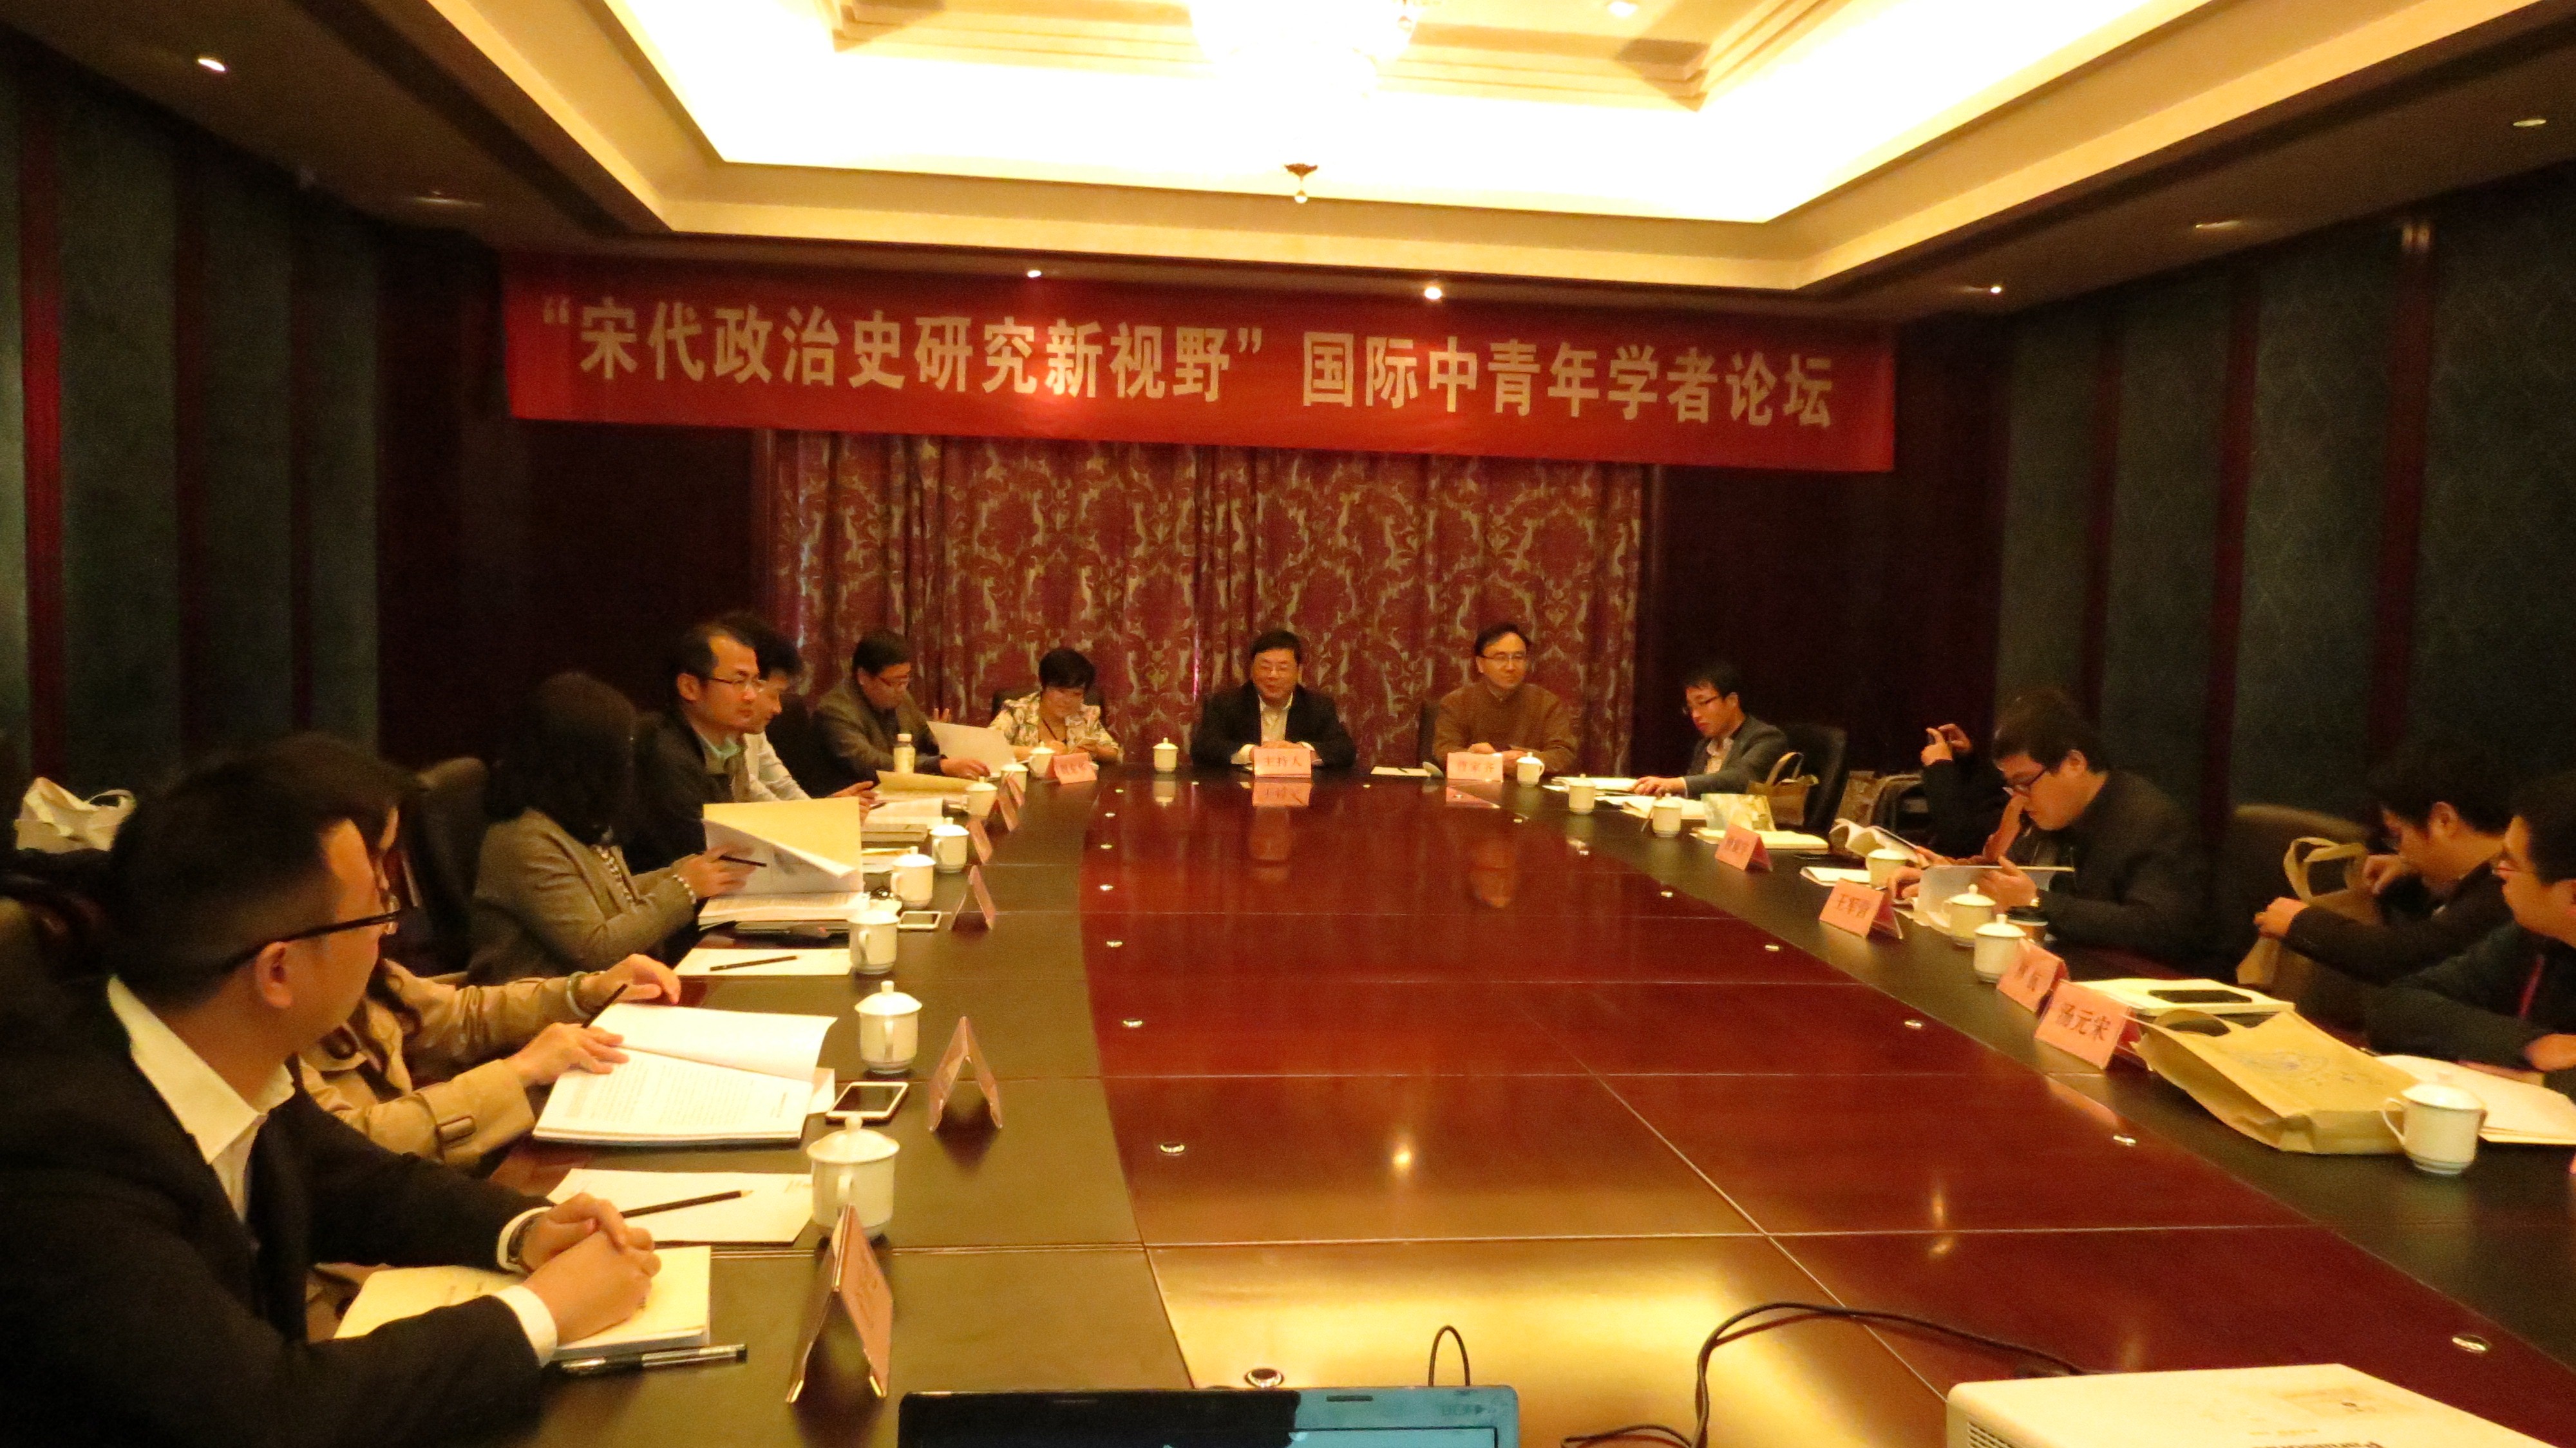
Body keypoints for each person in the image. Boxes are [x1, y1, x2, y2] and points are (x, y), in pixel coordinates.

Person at [0, 759, 661, 1447]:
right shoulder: (60, 1155)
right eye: (377, 912)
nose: (388, 936)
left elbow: (358, 1185)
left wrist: (526, 1231)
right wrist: (543, 1312)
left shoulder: (216, 1050)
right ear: (278, 971)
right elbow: (270, 1414)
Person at [260, 733, 679, 1172]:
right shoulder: (270, 1008)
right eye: (377, 860)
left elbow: (455, 1016)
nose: (385, 887)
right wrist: (518, 1072)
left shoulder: (353, 961)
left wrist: (586, 992)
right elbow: (347, 1152)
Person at [470, 672, 750, 985]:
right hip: (554, 1008)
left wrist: (683, 871)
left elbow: (609, 895)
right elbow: (597, 950)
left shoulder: (574, 815)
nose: (627, 765)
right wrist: (684, 888)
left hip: (606, 997)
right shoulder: (525, 841)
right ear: (582, 761)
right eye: (621, 753)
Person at [2369, 771, 2576, 1098]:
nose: (2497, 873)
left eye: (2511, 863)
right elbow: (2396, 1006)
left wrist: (2555, 1083)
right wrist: (2533, 1044)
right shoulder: (2534, 938)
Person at [2252, 738, 2514, 986]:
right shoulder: (2495, 875)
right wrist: (2411, 873)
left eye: (2398, 836)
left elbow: (2405, 956)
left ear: (2444, 821)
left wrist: (2301, 923)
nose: (2400, 852)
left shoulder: (2508, 887)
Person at [1971, 699, 2209, 966]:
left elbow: (2159, 927)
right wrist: (1961, 881)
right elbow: (2015, 879)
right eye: (2013, 787)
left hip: (2147, 977)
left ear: (2074, 763)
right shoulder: (2052, 817)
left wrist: (2036, 902)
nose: (2020, 798)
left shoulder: (2150, 821)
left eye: (2026, 783)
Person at [630, 619, 871, 872]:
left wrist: (822, 815)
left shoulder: (725, 745)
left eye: (755, 682)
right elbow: (709, 853)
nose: (751, 696)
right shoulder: (664, 756)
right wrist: (819, 820)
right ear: (690, 688)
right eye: (738, 681)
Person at [722, 609, 869, 797]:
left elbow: (781, 785)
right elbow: (751, 792)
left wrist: (825, 809)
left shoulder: (751, 731)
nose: (778, 709)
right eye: (738, 680)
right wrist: (821, 811)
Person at [815, 631, 992, 781]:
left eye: (905, 679)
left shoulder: (901, 697)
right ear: (863, 676)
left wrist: (939, 737)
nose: (901, 689)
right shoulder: (835, 710)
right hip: (856, 798)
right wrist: (940, 765)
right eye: (893, 682)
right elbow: (869, 763)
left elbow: (921, 733)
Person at [1189, 629, 1359, 770]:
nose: (1273, 675)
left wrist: (1301, 752)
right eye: (1265, 667)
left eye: (1283, 668)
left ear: (1299, 671)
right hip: (1242, 794)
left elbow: (1344, 749)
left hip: (1301, 795)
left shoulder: (1318, 706)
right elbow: (1203, 747)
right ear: (1251, 670)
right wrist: (1253, 754)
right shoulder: (1226, 703)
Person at [1430, 622, 1577, 776]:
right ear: (1480, 664)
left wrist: (1519, 759)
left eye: (1518, 657)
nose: (1510, 667)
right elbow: (1444, 753)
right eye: (1501, 658)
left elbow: (1563, 756)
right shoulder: (1457, 702)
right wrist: (1494, 761)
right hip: (1471, 787)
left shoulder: (1547, 703)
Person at [1634, 660, 1789, 799]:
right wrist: (1666, 791)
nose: (1695, 715)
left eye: (1703, 703)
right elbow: (1694, 792)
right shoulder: (1704, 745)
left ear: (1732, 701)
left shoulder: (1767, 737)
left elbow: (1742, 779)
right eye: (1691, 707)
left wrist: (1676, 784)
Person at [993, 647, 1122, 762]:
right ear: (1044, 686)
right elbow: (989, 749)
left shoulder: (1086, 715)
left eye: (1076, 694)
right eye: (1061, 691)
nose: (1068, 700)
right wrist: (1040, 752)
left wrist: (1096, 751)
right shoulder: (1017, 711)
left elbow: (1114, 753)